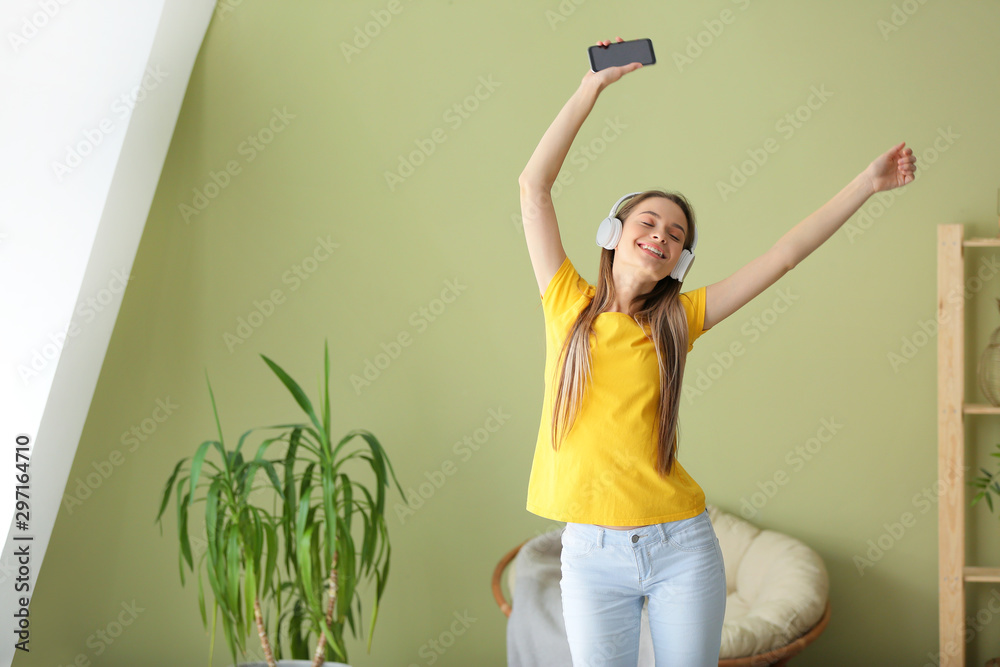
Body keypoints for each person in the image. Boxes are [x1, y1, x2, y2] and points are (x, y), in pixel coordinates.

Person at [517, 37, 916, 666]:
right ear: (614, 233)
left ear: (680, 262)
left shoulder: (679, 319)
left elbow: (782, 256)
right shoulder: (566, 303)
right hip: (590, 556)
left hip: (680, 547)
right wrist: (590, 88)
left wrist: (866, 185)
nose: (661, 235)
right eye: (649, 222)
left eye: (676, 236)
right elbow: (533, 187)